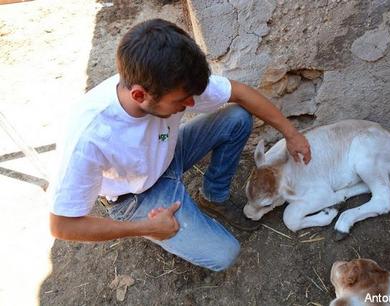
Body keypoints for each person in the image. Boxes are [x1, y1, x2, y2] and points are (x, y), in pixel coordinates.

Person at [48, 19, 311, 272]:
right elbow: (62, 226)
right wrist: (145, 227)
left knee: (237, 118)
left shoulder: (166, 79)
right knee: (225, 254)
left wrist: (291, 133)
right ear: (140, 95)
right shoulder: (89, 135)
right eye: (181, 101)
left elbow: (239, 92)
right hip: (136, 196)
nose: (191, 106)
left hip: (168, 154)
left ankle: (214, 196)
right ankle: (160, 219)